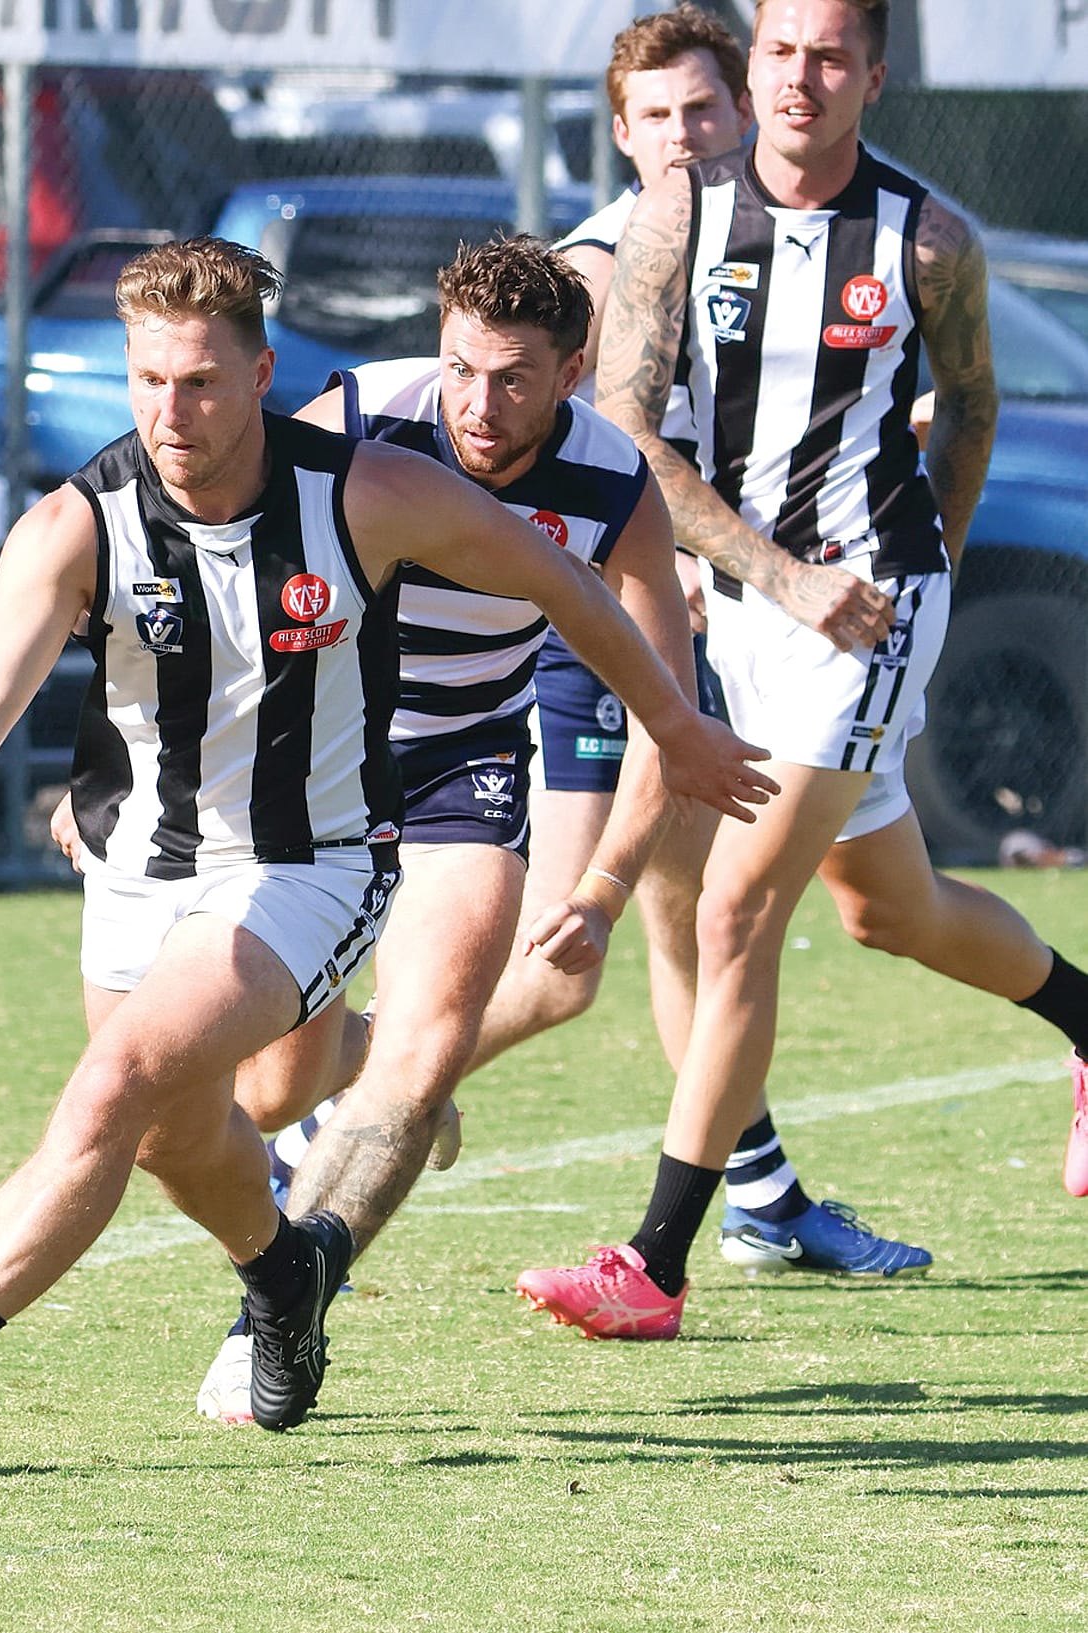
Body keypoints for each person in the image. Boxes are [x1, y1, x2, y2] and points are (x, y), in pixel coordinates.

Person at [0, 236, 774, 1467]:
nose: (172, 412)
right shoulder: (75, 522)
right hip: (153, 838)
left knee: (123, 1084)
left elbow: (567, 589)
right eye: (149, 382)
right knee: (210, 1116)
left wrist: (669, 741)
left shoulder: (367, 488)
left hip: (329, 834)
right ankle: (285, 1272)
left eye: (200, 382)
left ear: (262, 375)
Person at [515, 0, 1088, 1342]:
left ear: (873, 78)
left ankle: (657, 1261)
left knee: (732, 913)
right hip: (760, 600)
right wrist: (770, 579)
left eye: (832, 55)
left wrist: (916, 570)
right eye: (780, 48)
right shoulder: (675, 221)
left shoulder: (930, 237)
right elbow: (630, 432)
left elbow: (976, 403)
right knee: (891, 911)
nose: (801, 77)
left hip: (865, 616)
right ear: (755, 61)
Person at [176, 233, 706, 1423]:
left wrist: (610, 884)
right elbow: (222, 566)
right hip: (314, 760)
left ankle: (273, 1318)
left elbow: (669, 707)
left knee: (422, 1062)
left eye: (514, 376)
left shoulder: (617, 487)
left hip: (468, 764)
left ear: (571, 373)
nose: (479, 402)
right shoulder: (364, 414)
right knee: (269, 1093)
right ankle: (369, 1064)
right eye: (463, 366)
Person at [480, 5, 929, 1277]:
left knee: (704, 911)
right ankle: (353, 1098)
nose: (687, 133)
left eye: (705, 109)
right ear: (621, 136)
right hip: (601, 627)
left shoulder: (783, 231)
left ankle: (761, 1193)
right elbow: (575, 451)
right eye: (659, 116)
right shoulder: (606, 261)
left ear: (743, 113)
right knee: (585, 951)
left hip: (719, 629)